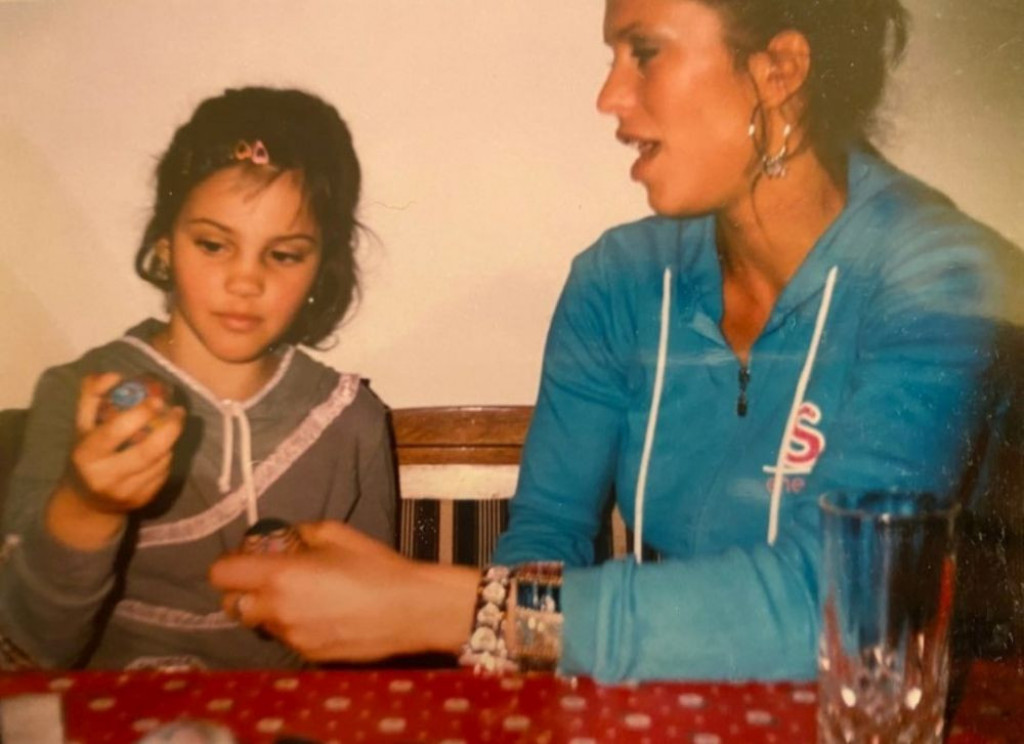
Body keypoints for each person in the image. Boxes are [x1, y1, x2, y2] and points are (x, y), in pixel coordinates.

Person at [210, 1, 1022, 682]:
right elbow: (545, 540)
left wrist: (443, 608)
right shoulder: (617, 282)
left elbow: (841, 608)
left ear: (779, 70)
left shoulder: (945, 277)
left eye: (644, 53)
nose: (608, 97)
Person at [0, 87, 396, 670]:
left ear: (320, 269)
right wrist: (87, 506)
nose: (245, 280)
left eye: (284, 254)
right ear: (164, 244)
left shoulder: (350, 421)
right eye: (213, 244)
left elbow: (372, 643)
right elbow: (30, 650)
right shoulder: (77, 396)